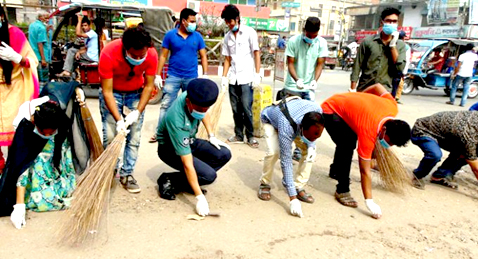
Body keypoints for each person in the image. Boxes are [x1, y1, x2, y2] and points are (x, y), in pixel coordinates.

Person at [0, 81, 88, 229]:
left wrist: (79, 91)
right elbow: (21, 164)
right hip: (35, 153)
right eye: (44, 132)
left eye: (51, 132)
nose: (47, 134)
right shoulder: (25, 123)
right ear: (36, 124)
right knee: (31, 163)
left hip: (55, 147)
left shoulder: (59, 109)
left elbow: (69, 85)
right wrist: (19, 205)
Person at [321, 83, 411, 219]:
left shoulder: (392, 106)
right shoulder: (368, 131)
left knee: (346, 140)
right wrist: (369, 201)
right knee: (347, 145)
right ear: (384, 130)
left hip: (346, 105)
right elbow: (365, 171)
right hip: (331, 110)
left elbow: (377, 86)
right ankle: (342, 190)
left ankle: (335, 171)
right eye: (389, 141)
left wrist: (359, 95)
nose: (388, 145)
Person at [156, 79, 232, 217]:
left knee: (224, 154)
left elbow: (204, 113)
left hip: (191, 141)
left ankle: (191, 182)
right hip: (169, 149)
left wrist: (211, 136)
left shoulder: (195, 95)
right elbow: (187, 163)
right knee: (209, 176)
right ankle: (168, 179)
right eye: (199, 109)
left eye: (205, 108)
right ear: (188, 102)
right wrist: (199, 197)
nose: (202, 112)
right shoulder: (176, 119)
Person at [98, 25, 158, 193]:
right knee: (110, 136)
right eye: (134, 55)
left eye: (142, 55)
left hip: (135, 94)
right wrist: (119, 120)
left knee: (134, 137)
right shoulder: (109, 53)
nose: (139, 58)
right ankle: (110, 171)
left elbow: (148, 86)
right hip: (114, 94)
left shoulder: (151, 54)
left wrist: (137, 112)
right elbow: (107, 91)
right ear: (125, 48)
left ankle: (127, 174)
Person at [258, 97, 324, 218]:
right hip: (271, 119)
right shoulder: (286, 126)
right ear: (302, 128)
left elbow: (314, 133)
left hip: (294, 120)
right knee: (274, 152)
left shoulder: (318, 111)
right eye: (309, 137)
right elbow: (286, 161)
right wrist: (292, 199)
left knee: (310, 152)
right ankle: (265, 183)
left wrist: (311, 145)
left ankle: (298, 185)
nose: (313, 139)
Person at [150, 8, 208, 143]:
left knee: (192, 106)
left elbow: (203, 56)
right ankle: (161, 133)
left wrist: (205, 75)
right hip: (173, 76)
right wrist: (157, 75)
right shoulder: (170, 35)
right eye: (192, 21)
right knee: (166, 105)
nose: (194, 24)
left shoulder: (197, 37)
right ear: (183, 21)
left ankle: (191, 134)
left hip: (191, 77)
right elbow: (163, 55)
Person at [0, 7, 39, 174]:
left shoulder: (15, 34)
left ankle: (16, 173)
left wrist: (18, 58)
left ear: (1, 16)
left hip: (14, 89)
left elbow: (33, 61)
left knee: (16, 132)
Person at [220, 4, 261, 148]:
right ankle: (238, 134)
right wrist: (224, 78)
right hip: (233, 78)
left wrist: (257, 74)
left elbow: (256, 53)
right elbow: (227, 59)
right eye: (226, 22)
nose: (229, 24)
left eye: (230, 21)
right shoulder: (227, 37)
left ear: (237, 19)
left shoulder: (250, 32)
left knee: (246, 108)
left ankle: (250, 136)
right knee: (235, 109)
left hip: (246, 77)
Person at [411, 111, 478, 190]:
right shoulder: (469, 136)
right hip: (423, 130)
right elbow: (475, 168)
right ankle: (417, 175)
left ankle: (440, 175)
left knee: (468, 153)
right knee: (435, 155)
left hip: (446, 134)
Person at [350, 8, 407, 92]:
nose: (391, 24)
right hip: (365, 87)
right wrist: (352, 89)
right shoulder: (368, 41)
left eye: (394, 21)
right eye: (388, 21)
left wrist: (392, 46)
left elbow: (399, 68)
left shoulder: (400, 45)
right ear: (382, 22)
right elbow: (357, 66)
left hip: (385, 90)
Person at [283, 16, 328, 101]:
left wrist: (315, 80)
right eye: (309, 35)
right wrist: (297, 80)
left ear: (318, 32)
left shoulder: (322, 43)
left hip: (308, 88)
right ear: (304, 30)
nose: (311, 39)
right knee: (291, 113)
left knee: (309, 113)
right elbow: (290, 63)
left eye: (314, 36)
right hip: (292, 86)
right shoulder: (293, 41)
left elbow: (320, 64)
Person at [28, 12, 51, 84]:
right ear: (40, 17)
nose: (47, 20)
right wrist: (43, 59)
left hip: (33, 55)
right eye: (46, 18)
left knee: (35, 79)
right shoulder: (41, 28)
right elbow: (40, 43)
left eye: (48, 18)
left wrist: (46, 30)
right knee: (43, 80)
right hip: (41, 57)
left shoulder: (32, 25)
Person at [391, 31, 411, 103]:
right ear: (403, 37)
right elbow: (407, 59)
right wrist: (404, 71)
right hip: (398, 69)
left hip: (389, 68)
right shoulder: (406, 46)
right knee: (395, 85)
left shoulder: (391, 43)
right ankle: (393, 99)